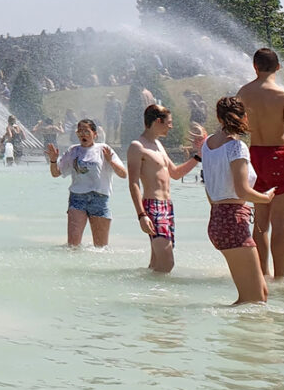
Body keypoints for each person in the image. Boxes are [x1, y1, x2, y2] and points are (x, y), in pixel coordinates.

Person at [230, 47, 284, 280]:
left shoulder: (243, 94)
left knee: (260, 224)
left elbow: (236, 131)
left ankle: (261, 276)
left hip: (255, 155)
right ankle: (281, 278)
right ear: (278, 67)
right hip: (283, 154)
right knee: (281, 225)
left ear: (255, 66)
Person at [197, 96, 275, 305]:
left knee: (261, 294)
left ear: (218, 117)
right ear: (244, 117)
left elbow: (209, 189)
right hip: (233, 220)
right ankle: (234, 334)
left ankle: (244, 336)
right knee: (254, 300)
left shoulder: (208, 145)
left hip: (217, 219)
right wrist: (266, 198)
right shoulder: (236, 147)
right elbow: (243, 191)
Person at [125, 104, 197, 273]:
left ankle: (149, 296)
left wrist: (198, 156)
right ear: (158, 121)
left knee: (157, 264)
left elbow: (176, 173)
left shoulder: (157, 144)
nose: (171, 126)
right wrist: (141, 215)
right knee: (167, 263)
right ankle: (159, 297)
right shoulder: (137, 146)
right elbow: (133, 183)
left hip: (167, 206)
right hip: (153, 206)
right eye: (169, 122)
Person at [46, 118, 127, 248]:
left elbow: (123, 174)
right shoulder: (73, 151)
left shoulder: (104, 149)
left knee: (100, 248)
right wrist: (53, 161)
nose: (83, 134)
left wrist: (110, 161)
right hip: (77, 198)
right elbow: (56, 173)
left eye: (86, 131)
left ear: (95, 134)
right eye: (80, 131)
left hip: (99, 199)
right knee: (72, 246)